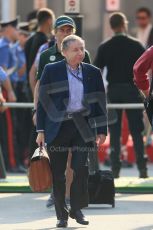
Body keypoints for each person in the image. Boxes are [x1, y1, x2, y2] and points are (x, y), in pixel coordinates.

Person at [36, 34, 107, 228]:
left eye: (82, 49)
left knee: (81, 169)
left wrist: (102, 130)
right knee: (58, 173)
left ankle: (77, 209)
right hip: (57, 126)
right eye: (75, 49)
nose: (80, 53)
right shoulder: (51, 70)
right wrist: (40, 130)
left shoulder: (92, 72)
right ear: (64, 51)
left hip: (82, 126)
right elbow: (43, 102)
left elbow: (100, 102)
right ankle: (61, 215)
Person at [33, 15, 91, 208]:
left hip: (77, 115)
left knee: (74, 158)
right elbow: (40, 87)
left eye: (69, 30)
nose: (65, 33)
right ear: (55, 33)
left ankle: (68, 195)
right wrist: (36, 111)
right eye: (62, 30)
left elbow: (91, 85)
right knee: (57, 156)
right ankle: (57, 192)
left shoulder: (83, 54)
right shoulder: (46, 56)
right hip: (54, 116)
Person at [94, 12, 148, 178]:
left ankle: (115, 170)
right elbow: (143, 68)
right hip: (132, 90)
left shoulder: (105, 46)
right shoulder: (136, 44)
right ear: (124, 24)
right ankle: (142, 169)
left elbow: (96, 70)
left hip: (114, 91)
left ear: (111, 26)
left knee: (115, 131)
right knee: (136, 130)